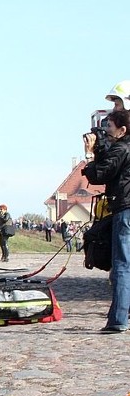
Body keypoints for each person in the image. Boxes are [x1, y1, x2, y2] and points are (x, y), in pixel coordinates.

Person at [83, 109, 130, 333]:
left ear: (122, 130)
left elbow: (100, 175)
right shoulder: (121, 147)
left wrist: (90, 155)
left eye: (109, 127)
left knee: (121, 265)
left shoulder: (122, 148)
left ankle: (118, 320)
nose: (106, 131)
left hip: (125, 210)